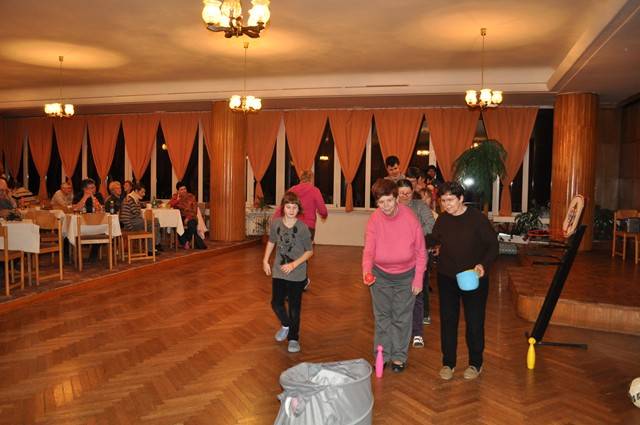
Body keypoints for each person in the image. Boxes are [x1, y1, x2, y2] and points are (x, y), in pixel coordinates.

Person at [429, 181, 498, 381]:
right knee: (448, 321)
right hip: (447, 277)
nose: (446, 205)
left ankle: (476, 363)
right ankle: (448, 363)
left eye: (450, 200)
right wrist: (416, 241)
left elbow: (493, 246)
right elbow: (434, 239)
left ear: (461, 198)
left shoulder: (477, 219)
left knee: (474, 322)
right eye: (443, 201)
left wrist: (482, 265)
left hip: (473, 278)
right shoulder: (443, 219)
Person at [362, 178, 426, 373]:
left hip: (406, 276)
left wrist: (418, 279)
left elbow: (421, 252)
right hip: (380, 275)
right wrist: (366, 271)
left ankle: (399, 356)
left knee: (401, 317)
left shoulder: (410, 218)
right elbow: (369, 250)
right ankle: (382, 354)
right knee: (382, 317)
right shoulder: (374, 219)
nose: (386, 206)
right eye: (381, 202)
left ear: (396, 198)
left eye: (389, 200)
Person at [262, 191, 313, 353]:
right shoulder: (276, 223)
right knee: (276, 303)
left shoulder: (302, 228)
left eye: (294, 207)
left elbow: (309, 251)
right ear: (283, 208)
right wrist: (265, 260)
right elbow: (271, 242)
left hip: (297, 273)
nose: (291, 210)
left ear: (298, 209)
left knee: (294, 308)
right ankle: (286, 325)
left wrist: (293, 265)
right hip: (279, 270)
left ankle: (293, 338)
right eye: (288, 207)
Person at [397, 179, 435, 349]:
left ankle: (417, 333)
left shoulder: (420, 206)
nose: (405, 196)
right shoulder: (392, 206)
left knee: (417, 296)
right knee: (399, 299)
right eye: (401, 193)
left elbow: (431, 225)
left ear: (413, 192)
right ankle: (401, 332)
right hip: (397, 260)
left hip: (418, 258)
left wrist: (414, 234)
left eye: (408, 192)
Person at [120, 183, 161, 254]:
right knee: (154, 222)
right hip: (131, 224)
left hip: (137, 222)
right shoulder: (128, 200)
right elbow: (124, 217)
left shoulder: (135, 200)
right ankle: (154, 246)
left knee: (153, 224)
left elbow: (137, 212)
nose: (144, 194)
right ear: (136, 191)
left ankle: (151, 248)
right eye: (142, 192)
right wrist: (131, 228)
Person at [169, 181, 206, 249]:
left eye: (185, 189)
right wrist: (177, 200)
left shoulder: (191, 197)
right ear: (178, 191)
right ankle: (186, 242)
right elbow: (169, 205)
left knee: (192, 225)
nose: (184, 191)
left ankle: (185, 241)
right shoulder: (175, 197)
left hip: (191, 216)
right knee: (176, 223)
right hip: (179, 217)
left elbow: (195, 211)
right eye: (181, 189)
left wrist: (188, 218)